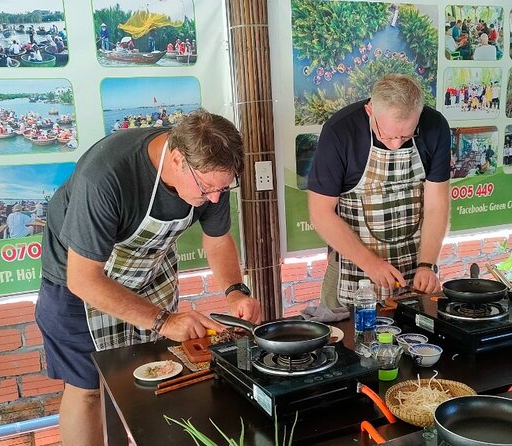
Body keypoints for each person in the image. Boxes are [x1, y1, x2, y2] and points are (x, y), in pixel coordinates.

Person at [35, 111, 261, 445]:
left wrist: (235, 291)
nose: (215, 198)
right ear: (177, 159)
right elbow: (83, 280)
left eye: (223, 188)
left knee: (155, 378)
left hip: (150, 273)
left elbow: (217, 239)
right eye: (207, 188)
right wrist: (164, 321)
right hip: (77, 281)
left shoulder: (210, 171)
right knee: (88, 390)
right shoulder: (107, 176)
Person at [308, 74, 451, 308]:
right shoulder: (340, 132)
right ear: (369, 111)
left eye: (406, 135)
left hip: (415, 262)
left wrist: (427, 264)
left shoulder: (436, 126)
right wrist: (370, 263)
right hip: (352, 264)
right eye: (387, 135)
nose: (396, 144)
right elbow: (320, 213)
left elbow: (437, 205)